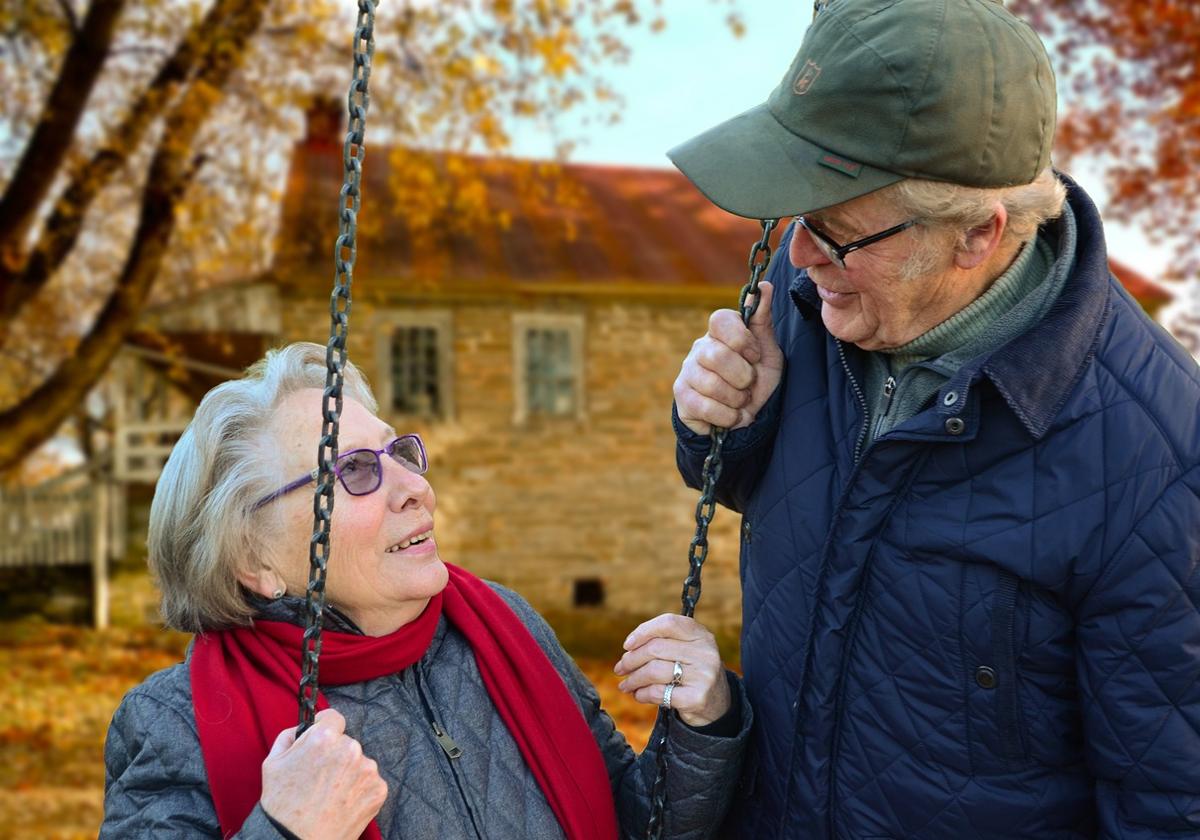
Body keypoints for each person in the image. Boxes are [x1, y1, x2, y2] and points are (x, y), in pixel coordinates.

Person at [668, 1, 1200, 838]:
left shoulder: (1159, 461)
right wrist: (721, 423)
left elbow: (1172, 804)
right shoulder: (818, 293)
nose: (801, 255)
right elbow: (758, 488)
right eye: (796, 220)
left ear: (977, 236)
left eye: (836, 234)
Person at [101, 342, 750, 840]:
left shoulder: (503, 628)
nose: (413, 486)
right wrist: (285, 830)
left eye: (399, 454)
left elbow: (631, 821)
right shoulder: (174, 722)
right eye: (353, 471)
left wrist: (700, 724)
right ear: (253, 559)